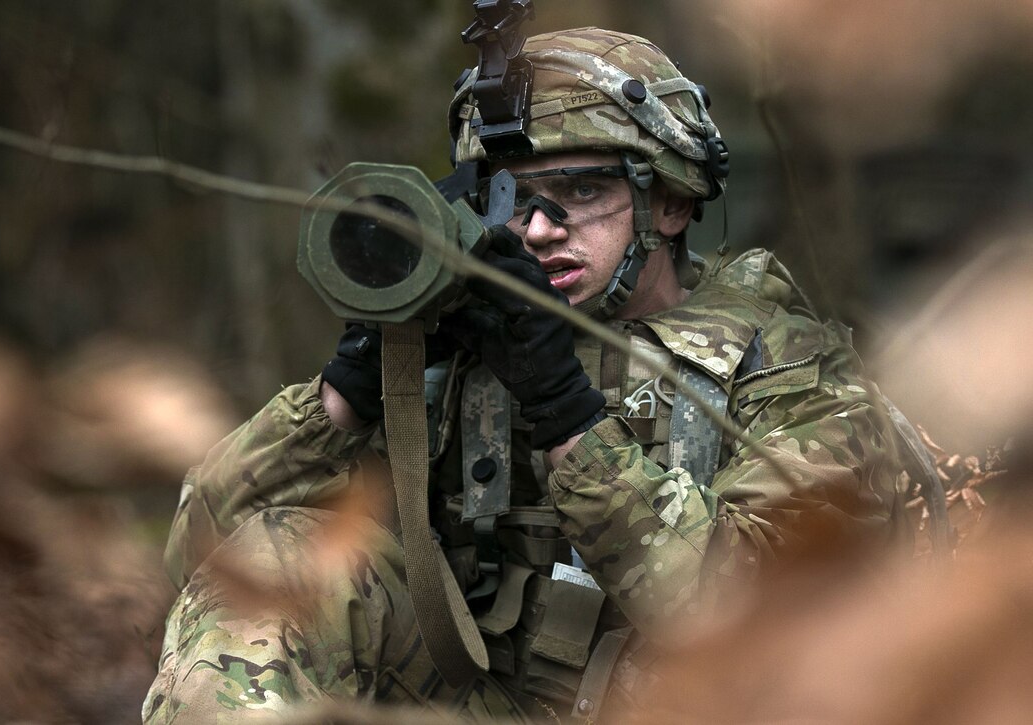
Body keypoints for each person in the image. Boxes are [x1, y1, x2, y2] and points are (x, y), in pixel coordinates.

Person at [143, 27, 922, 723]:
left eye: (583, 190)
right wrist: (351, 388)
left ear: (673, 203)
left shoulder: (783, 360)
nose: (540, 229)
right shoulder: (469, 342)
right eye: (510, 196)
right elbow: (210, 564)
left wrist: (567, 418)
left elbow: (768, 625)